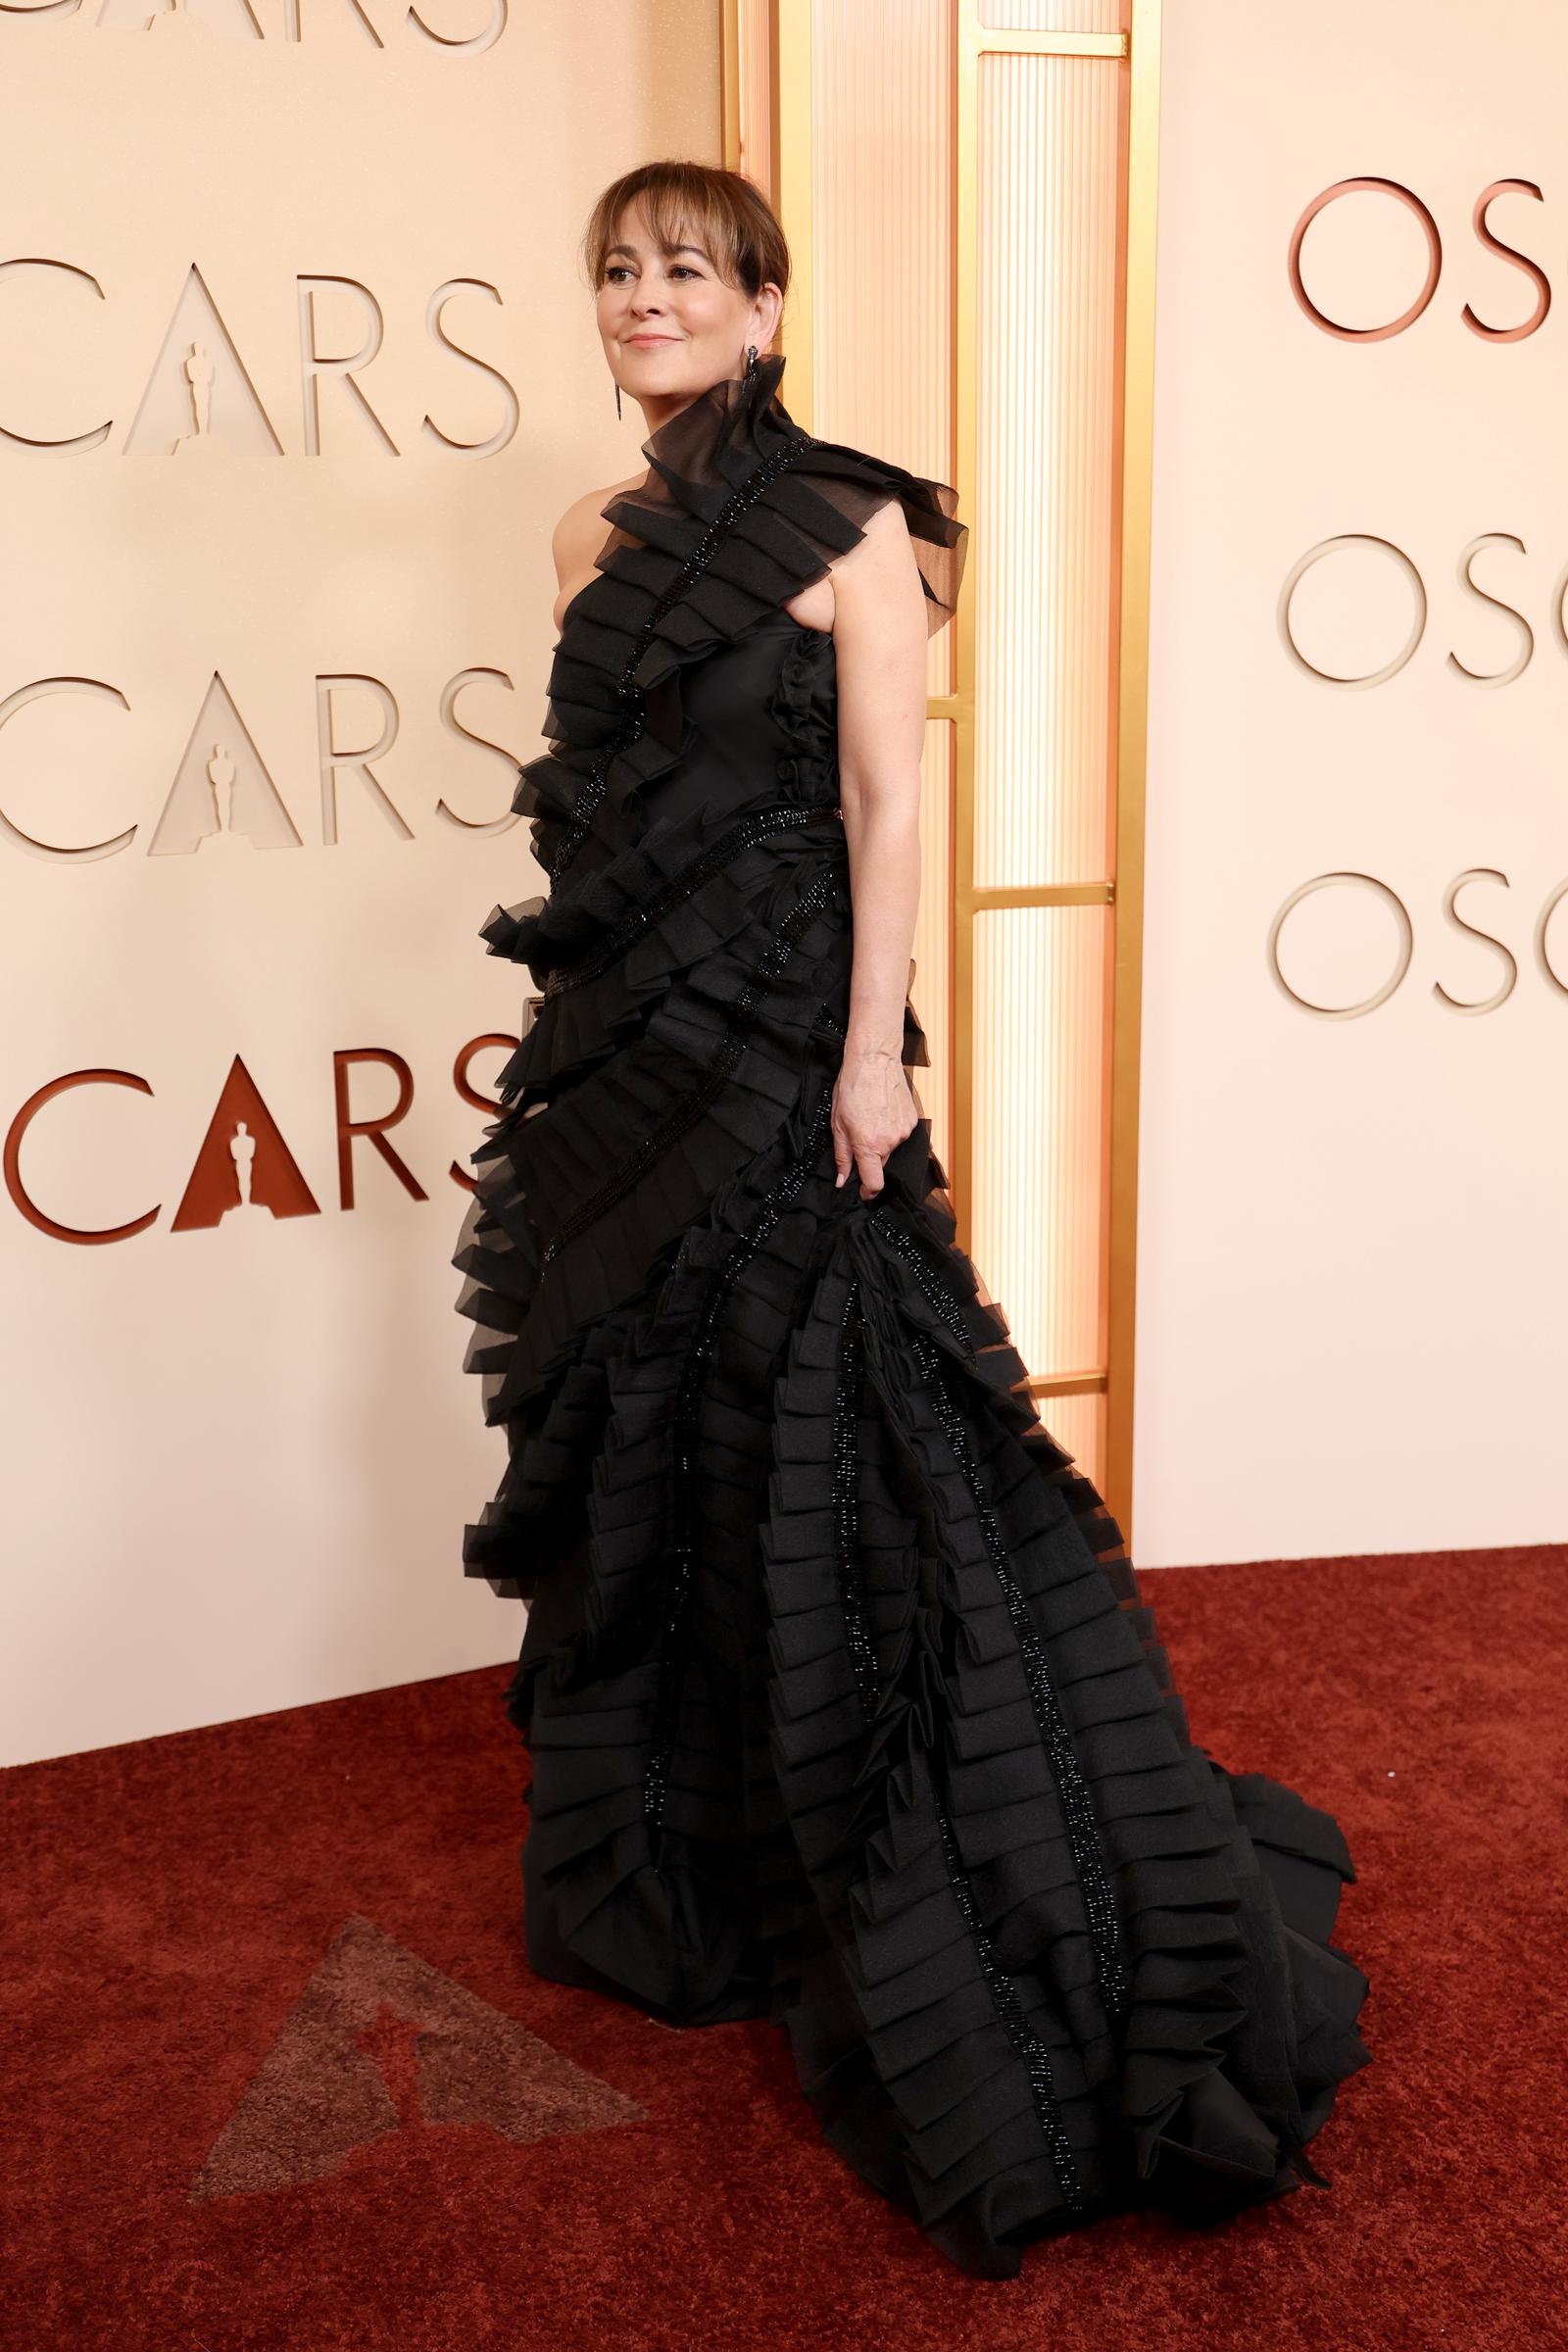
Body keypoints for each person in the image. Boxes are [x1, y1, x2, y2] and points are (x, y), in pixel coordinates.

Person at [452, 161, 1371, 2280]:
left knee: (833, 1443)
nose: (644, 297)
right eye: (616, 270)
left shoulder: (854, 520)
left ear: (764, 307)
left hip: (794, 1049)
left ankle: (925, 1881)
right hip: (626, 1062)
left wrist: (872, 1053)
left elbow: (885, 800)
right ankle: (691, 1874)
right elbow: (600, 819)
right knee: (652, 1442)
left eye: (685, 269)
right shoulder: (588, 539)